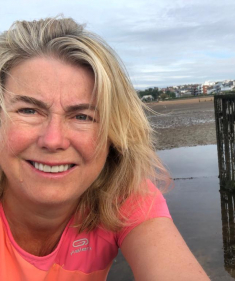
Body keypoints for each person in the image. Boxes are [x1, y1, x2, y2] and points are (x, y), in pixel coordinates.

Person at [0, 17, 210, 280]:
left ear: (113, 135)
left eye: (83, 116)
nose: (53, 140)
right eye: (29, 110)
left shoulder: (122, 197)